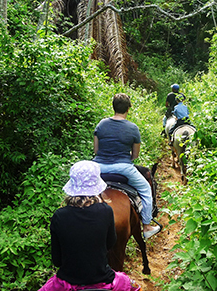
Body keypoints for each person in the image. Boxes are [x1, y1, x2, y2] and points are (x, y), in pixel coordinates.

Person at [38, 161, 141, 291]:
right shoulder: (106, 211)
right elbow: (110, 244)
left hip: (68, 282)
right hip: (104, 280)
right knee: (135, 287)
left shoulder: (59, 215)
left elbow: (57, 261)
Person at [93, 93, 160, 240]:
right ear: (128, 109)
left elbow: (96, 150)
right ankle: (147, 226)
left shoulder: (101, 124)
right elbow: (135, 155)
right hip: (123, 168)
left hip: (98, 167)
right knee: (145, 189)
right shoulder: (133, 128)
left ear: (113, 107)